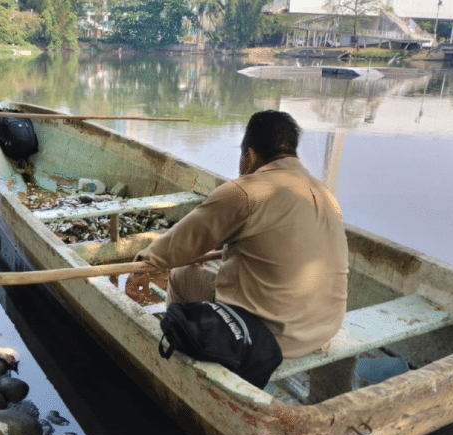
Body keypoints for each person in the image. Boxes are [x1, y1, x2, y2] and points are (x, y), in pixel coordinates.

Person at [128, 110, 349, 360]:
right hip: (322, 330)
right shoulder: (325, 194)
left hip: (272, 337)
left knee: (180, 276)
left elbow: (179, 244)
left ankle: (179, 355)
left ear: (250, 155)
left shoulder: (247, 191)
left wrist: (142, 264)